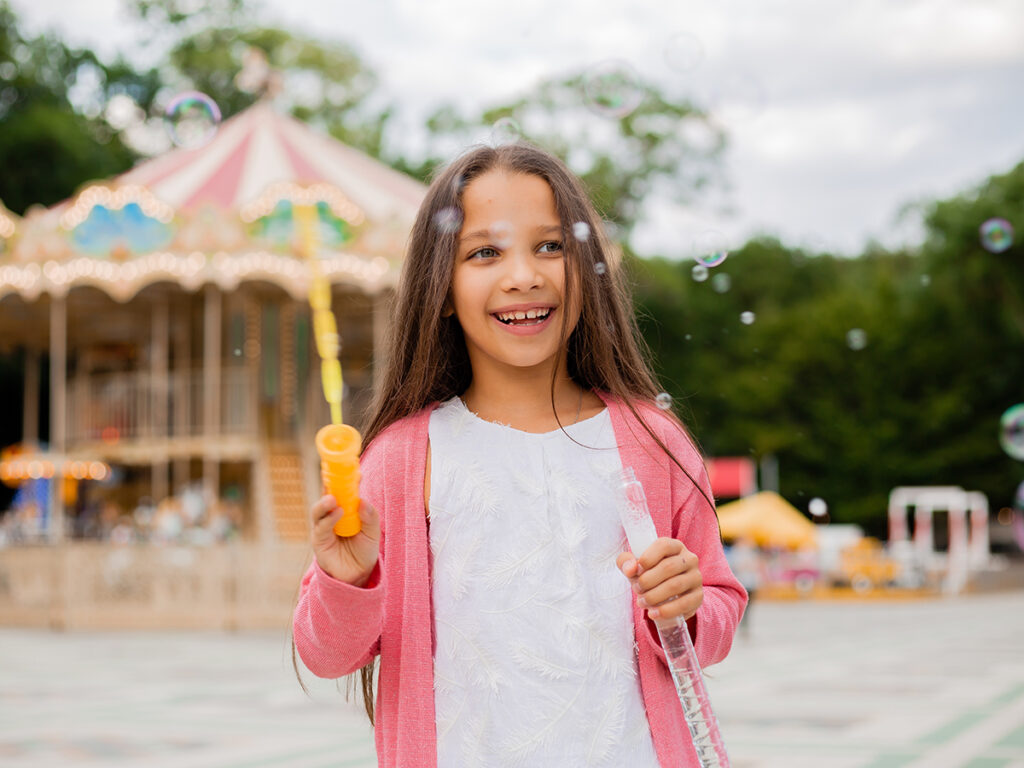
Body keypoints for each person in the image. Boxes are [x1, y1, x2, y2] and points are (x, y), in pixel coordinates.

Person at [292, 143, 747, 768]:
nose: (523, 275)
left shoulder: (653, 442)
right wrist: (346, 578)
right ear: (442, 289)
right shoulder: (400, 461)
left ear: (586, 269)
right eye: (484, 252)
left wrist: (690, 607)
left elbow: (719, 611)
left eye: (551, 246)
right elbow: (326, 653)